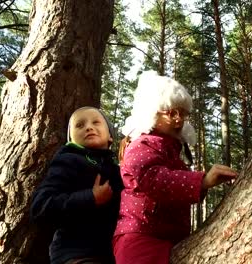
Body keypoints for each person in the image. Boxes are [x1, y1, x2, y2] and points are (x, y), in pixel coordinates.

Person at [113, 71, 237, 264]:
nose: (179, 119)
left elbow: (178, 189)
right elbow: (153, 179)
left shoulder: (172, 150)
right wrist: (202, 181)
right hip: (141, 237)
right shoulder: (141, 145)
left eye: (183, 113)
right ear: (152, 112)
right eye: (172, 113)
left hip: (171, 237)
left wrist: (203, 185)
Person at [30, 106, 123, 264]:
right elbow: (40, 207)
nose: (89, 127)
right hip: (76, 254)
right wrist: (90, 197)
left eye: (96, 122)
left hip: (113, 253)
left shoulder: (117, 169)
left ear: (110, 137)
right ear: (71, 139)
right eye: (79, 125)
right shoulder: (68, 161)